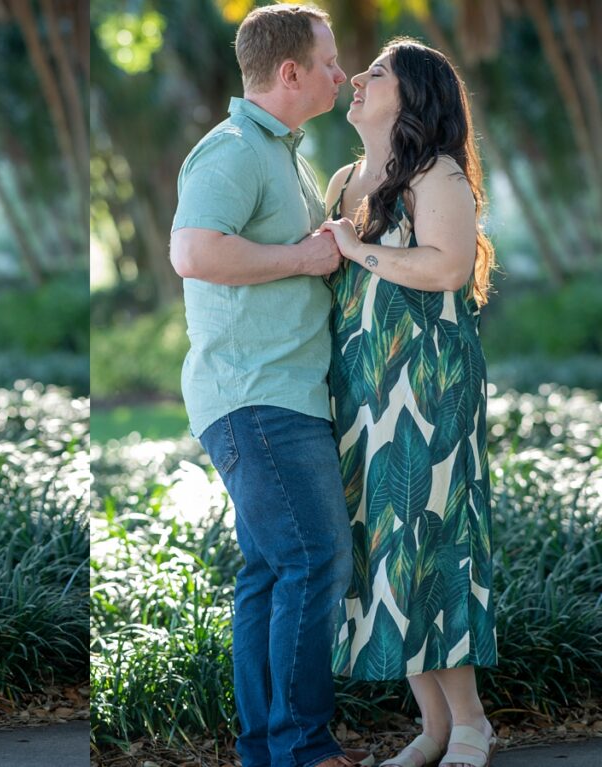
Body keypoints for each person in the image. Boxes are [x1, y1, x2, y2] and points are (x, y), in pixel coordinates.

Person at [170, 5, 373, 767]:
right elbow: (192, 250)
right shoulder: (232, 152)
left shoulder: (282, 153)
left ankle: (267, 746)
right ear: (288, 73)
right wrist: (304, 260)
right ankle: (301, 746)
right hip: (256, 397)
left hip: (274, 394)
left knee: (272, 570)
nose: (340, 74)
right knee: (315, 560)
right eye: (327, 62)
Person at [321, 39, 498, 767]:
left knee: (431, 544)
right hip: (360, 394)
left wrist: (353, 247)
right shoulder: (341, 181)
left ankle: (471, 725)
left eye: (378, 73)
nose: (357, 80)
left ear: (416, 94)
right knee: (388, 555)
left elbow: (448, 266)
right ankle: (431, 726)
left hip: (427, 389)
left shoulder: (436, 173)